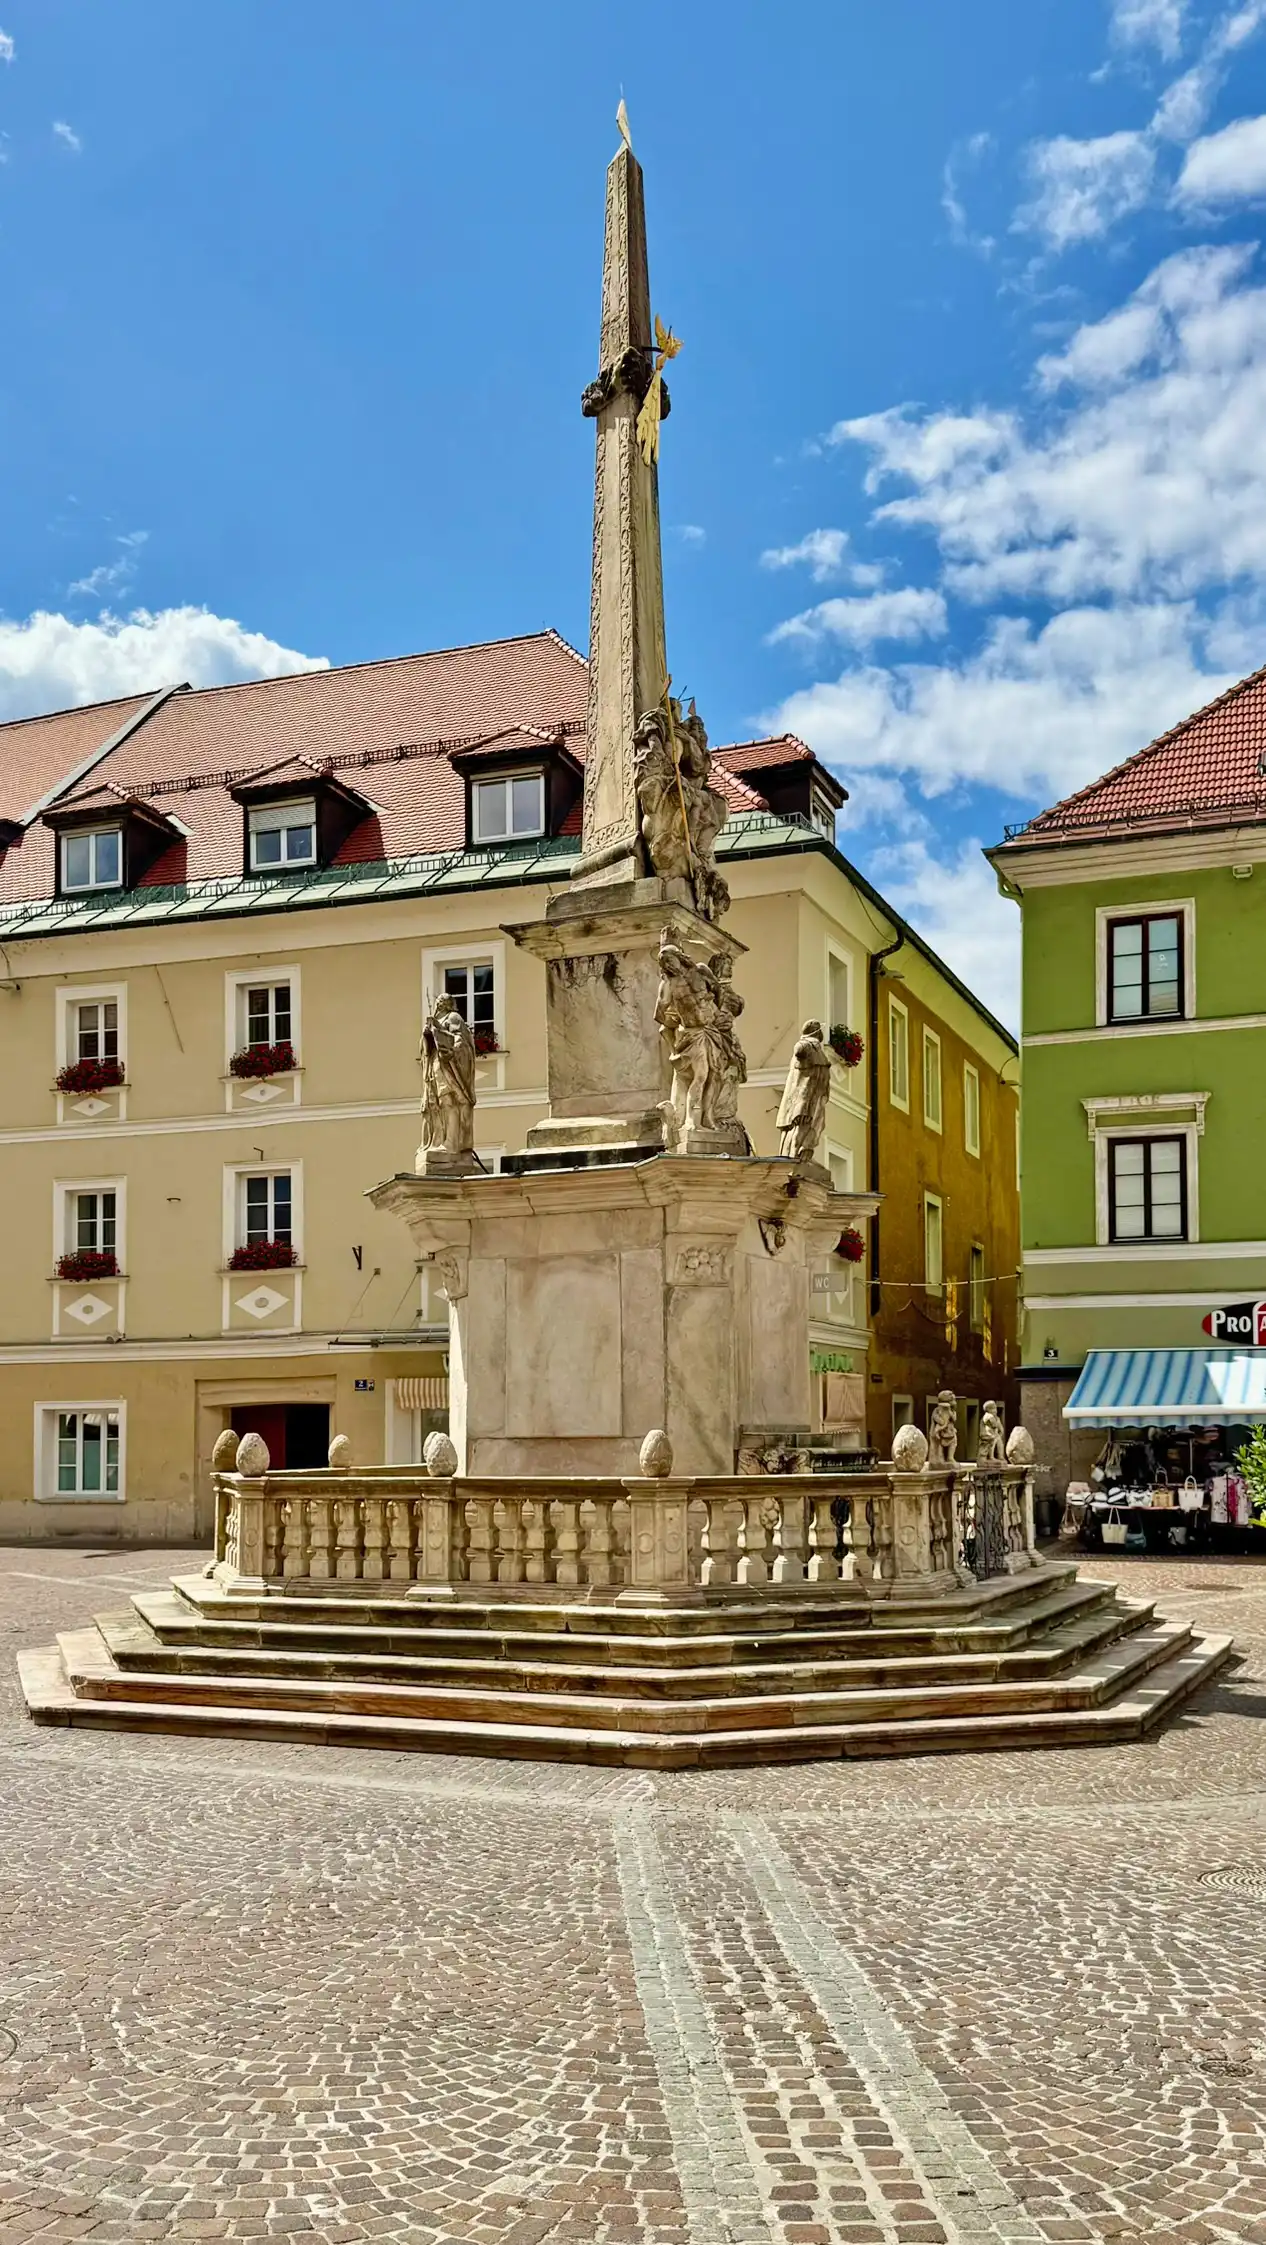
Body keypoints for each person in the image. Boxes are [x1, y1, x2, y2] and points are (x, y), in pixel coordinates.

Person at [418, 998, 476, 1161]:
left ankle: (451, 1143)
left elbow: (461, 1042)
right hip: (434, 1065)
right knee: (434, 1104)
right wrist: (427, 1035)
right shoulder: (438, 1020)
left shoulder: (453, 1018)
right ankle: (436, 1142)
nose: (438, 1005)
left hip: (446, 1066)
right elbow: (425, 1050)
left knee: (448, 1101)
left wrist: (439, 1033)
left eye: (441, 1002)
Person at [776, 1020, 833, 1164]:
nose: (821, 1034)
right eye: (819, 1030)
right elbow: (799, 1051)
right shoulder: (806, 1045)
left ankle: (804, 1152)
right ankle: (794, 1154)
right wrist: (807, 1044)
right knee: (801, 1126)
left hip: (816, 1096)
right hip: (804, 1096)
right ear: (815, 1032)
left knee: (815, 1125)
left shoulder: (817, 1049)